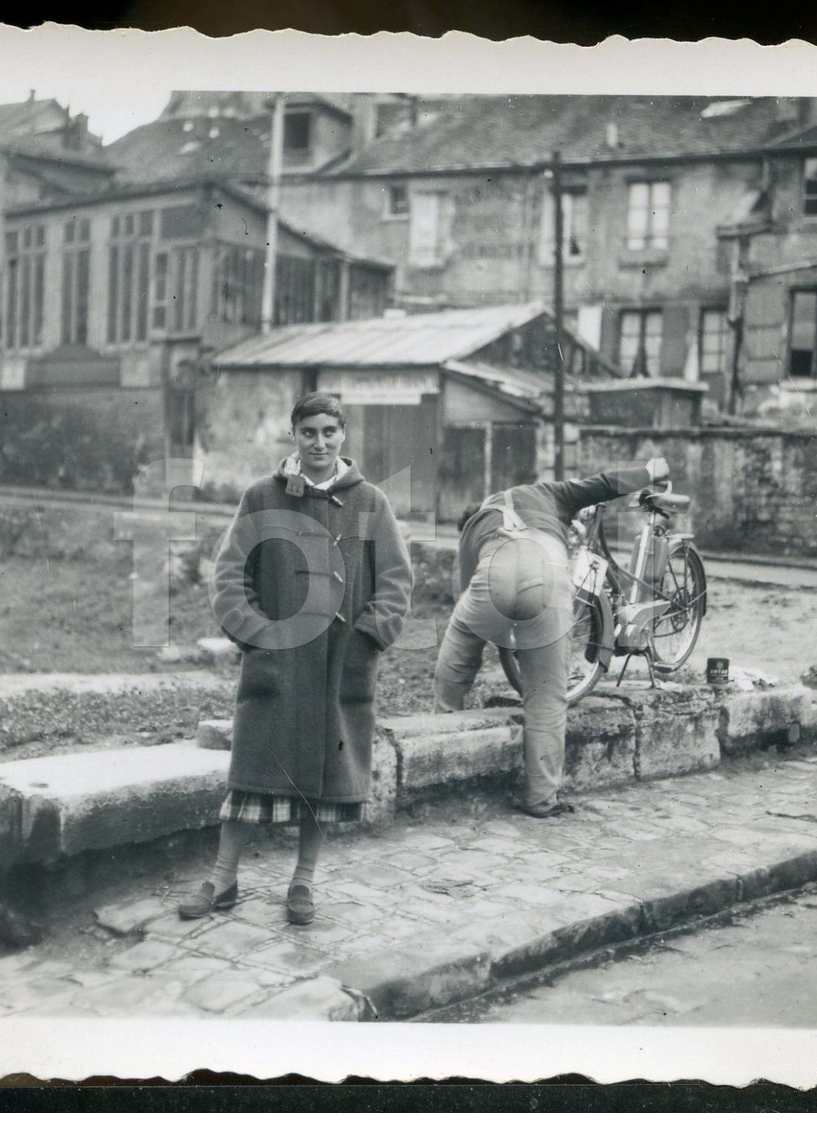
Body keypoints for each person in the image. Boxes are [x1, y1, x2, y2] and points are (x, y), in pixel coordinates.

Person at [181, 392, 414, 926]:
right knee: (248, 777)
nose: (319, 443)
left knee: (323, 780)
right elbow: (229, 576)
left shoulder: (371, 503)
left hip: (339, 668)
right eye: (308, 432)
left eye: (329, 432)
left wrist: (365, 640)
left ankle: (303, 881)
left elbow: (397, 582)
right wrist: (259, 637)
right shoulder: (262, 498)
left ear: (344, 436)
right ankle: (222, 877)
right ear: (293, 436)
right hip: (277, 667)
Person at [434, 459, 668, 818]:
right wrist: (650, 471)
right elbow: (605, 482)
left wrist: (498, 634)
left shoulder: (473, 530)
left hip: (494, 571)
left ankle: (436, 764)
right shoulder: (543, 492)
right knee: (546, 695)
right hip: (551, 571)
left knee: (454, 663)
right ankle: (541, 798)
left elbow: (467, 598)